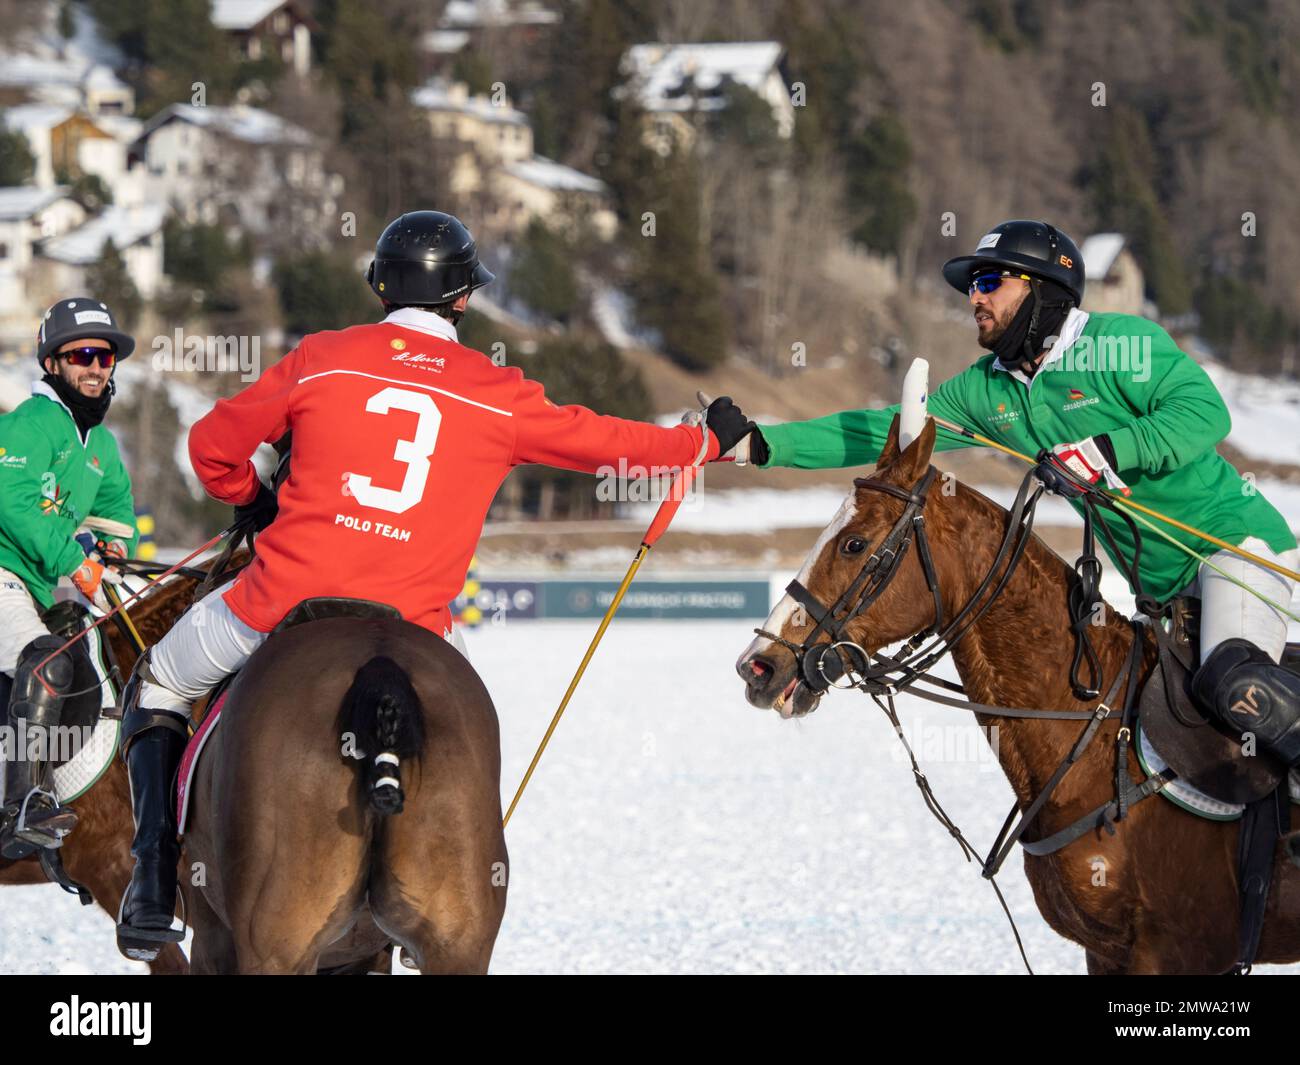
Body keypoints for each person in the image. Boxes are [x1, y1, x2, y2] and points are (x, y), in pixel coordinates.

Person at [113, 209, 749, 950]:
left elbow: (210, 445)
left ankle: (154, 880)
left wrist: (253, 498)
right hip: (418, 626)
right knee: (460, 726)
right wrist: (699, 440)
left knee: (158, 680)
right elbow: (604, 441)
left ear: (383, 290)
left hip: (280, 602)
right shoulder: (498, 390)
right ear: (463, 299)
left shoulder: (322, 356)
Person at [724, 219, 1300, 764]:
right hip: (1159, 597)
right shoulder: (987, 391)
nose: (975, 298)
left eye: (990, 282)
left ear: (1044, 289)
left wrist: (1105, 452)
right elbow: (889, 430)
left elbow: (1205, 413)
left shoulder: (1122, 343)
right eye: (971, 287)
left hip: (1237, 551)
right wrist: (760, 444)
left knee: (1235, 686)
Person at [0, 297, 138, 858]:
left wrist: (111, 546)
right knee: (49, 659)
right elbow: (9, 496)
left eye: (104, 356)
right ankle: (22, 804)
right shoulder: (32, 422)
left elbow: (117, 510)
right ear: (51, 363)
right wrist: (73, 559)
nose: (95, 367)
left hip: (33, 587)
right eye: (80, 354)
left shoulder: (99, 445)